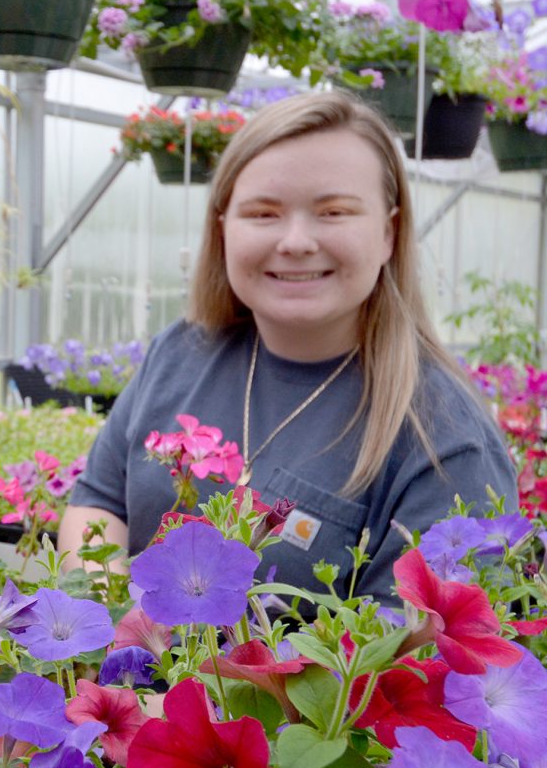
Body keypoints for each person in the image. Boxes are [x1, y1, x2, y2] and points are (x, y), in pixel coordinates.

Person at [58, 91, 518, 603]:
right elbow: (99, 503)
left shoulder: (444, 441)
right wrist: (118, 632)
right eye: (263, 213)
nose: (296, 241)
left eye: (334, 211)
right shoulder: (181, 353)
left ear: (389, 234)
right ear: (223, 229)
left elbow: (410, 658)